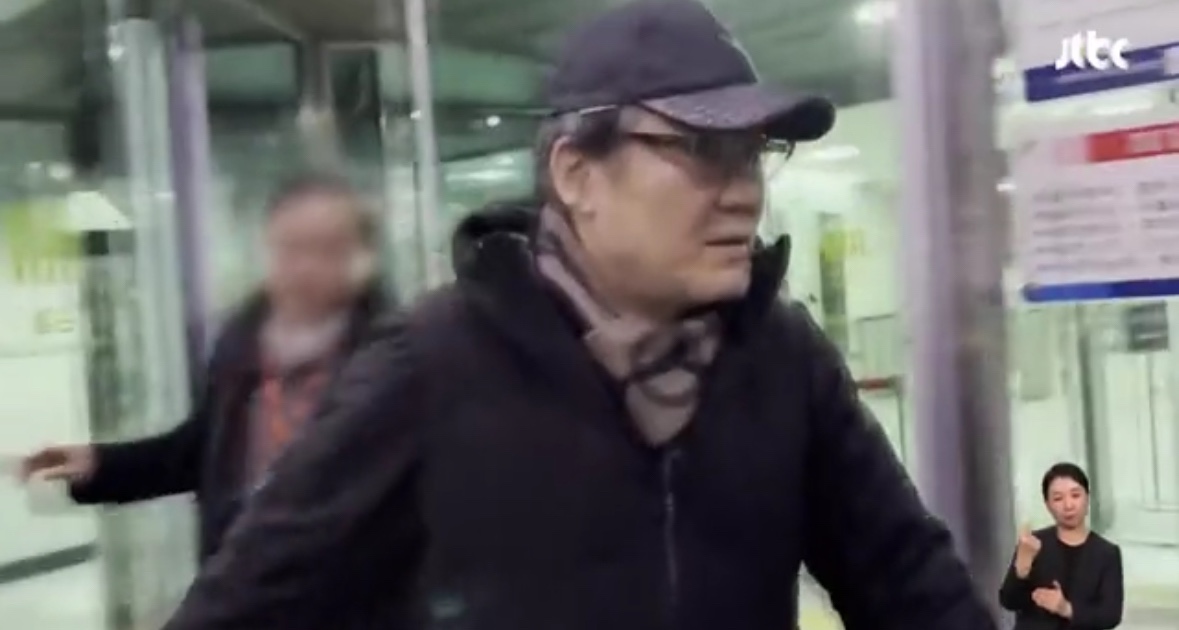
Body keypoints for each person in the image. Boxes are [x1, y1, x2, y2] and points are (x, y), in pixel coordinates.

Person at [161, 2, 995, 629]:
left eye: (753, 154)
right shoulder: (432, 369)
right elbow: (243, 606)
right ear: (576, 174)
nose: (743, 191)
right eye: (701, 149)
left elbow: (909, 584)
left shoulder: (779, 357)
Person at [18, 171, 392, 563]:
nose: (304, 268)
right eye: (289, 249)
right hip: (240, 580)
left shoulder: (394, 360)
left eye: (327, 250)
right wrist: (98, 465)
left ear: (365, 258)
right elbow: (199, 454)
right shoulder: (242, 346)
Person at [999, 463, 1124, 630]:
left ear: (1087, 497)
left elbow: (1111, 615)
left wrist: (1066, 608)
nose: (1068, 505)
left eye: (1075, 495)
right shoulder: (1033, 544)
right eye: (1058, 498)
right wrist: (1021, 570)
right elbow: (1009, 601)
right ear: (1047, 504)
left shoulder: (1107, 553)